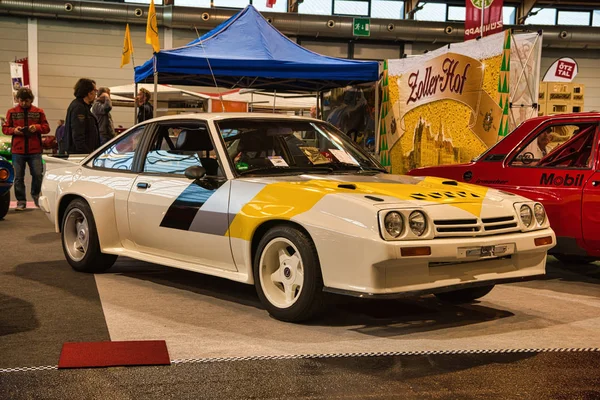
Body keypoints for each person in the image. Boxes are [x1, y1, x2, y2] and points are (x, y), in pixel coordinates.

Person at [2, 88, 50, 210]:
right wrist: (14, 130)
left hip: (35, 150)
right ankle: (21, 201)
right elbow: (5, 129)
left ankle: (35, 196)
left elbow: (46, 128)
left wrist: (37, 127)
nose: (23, 103)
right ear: (17, 99)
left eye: (26, 101)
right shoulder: (11, 112)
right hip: (17, 150)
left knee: (38, 175)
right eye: (21, 100)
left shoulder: (39, 112)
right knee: (18, 177)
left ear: (31, 100)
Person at [65, 78, 100, 154]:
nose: (96, 93)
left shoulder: (83, 107)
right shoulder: (79, 108)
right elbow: (78, 134)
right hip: (80, 154)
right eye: (95, 90)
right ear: (89, 92)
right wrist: (87, 154)